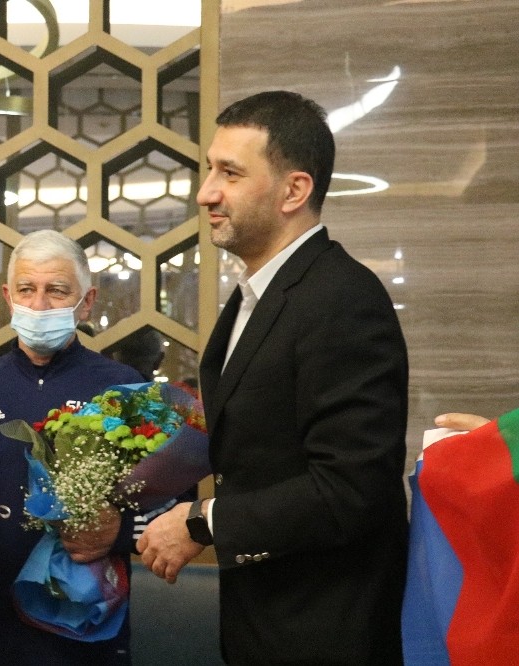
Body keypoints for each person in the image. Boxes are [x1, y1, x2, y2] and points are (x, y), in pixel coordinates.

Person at [137, 91, 410, 664]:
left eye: (230, 173)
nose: (206, 192)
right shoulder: (256, 296)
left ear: (294, 190)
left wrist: (204, 521)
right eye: (209, 169)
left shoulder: (341, 298)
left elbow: (352, 488)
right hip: (262, 622)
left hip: (323, 630)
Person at [0, 229, 144, 666]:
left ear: (87, 301)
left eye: (57, 290)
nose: (39, 305)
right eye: (26, 289)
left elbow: (167, 504)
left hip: (86, 623)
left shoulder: (123, 388)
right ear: (8, 297)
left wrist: (118, 530)